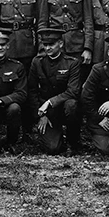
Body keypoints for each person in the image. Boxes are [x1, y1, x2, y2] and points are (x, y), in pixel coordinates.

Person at [28, 27, 81, 155]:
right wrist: (41, 115)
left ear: (61, 44)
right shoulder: (37, 62)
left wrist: (50, 102)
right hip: (47, 112)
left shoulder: (71, 63)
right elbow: (32, 91)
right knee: (53, 149)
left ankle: (72, 143)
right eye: (45, 45)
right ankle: (51, 136)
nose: (48, 48)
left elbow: (73, 91)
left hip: (64, 108)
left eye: (51, 44)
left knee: (72, 105)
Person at [38, 0, 94, 74]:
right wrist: (43, 48)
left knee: (77, 79)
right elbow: (42, 23)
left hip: (77, 45)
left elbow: (88, 21)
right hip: (55, 45)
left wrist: (88, 48)